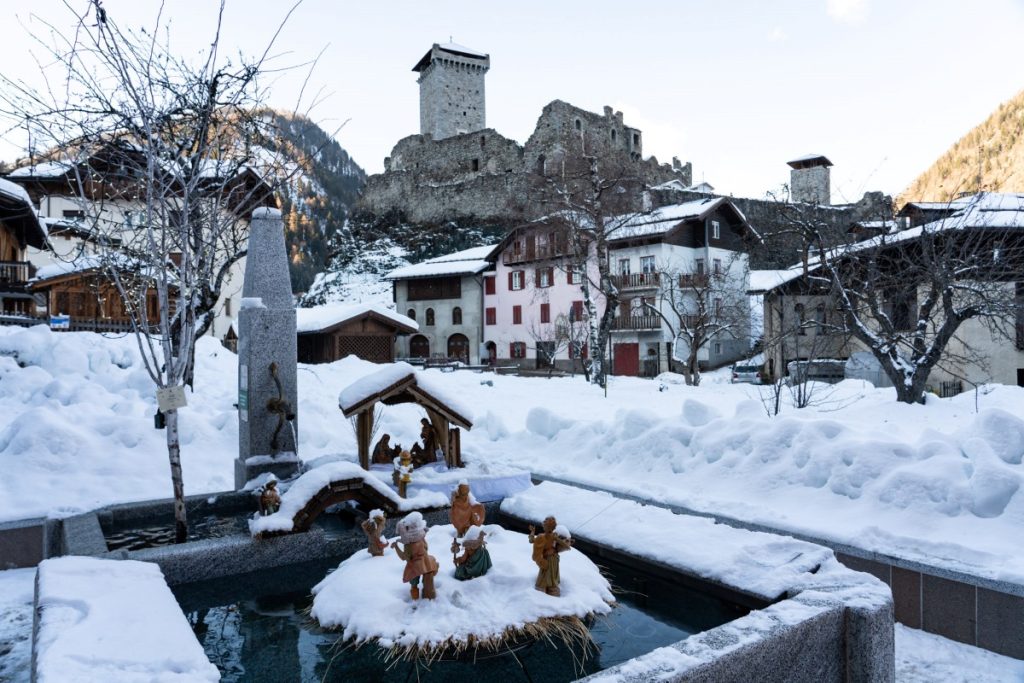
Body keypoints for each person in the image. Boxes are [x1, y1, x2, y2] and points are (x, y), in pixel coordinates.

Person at [393, 512, 438, 600]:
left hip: (414, 566)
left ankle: (415, 594)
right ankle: (426, 592)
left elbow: (403, 557)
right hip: (425, 562)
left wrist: (396, 547)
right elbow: (426, 548)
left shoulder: (409, 545)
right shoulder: (421, 539)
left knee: (414, 580)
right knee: (428, 570)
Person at [529, 516, 573, 596]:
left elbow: (567, 547)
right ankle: (545, 595)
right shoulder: (542, 537)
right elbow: (532, 541)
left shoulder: (552, 536)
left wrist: (558, 542)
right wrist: (532, 532)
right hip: (549, 561)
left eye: (546, 521)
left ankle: (550, 594)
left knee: (547, 582)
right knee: (546, 581)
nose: (544, 522)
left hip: (552, 561)